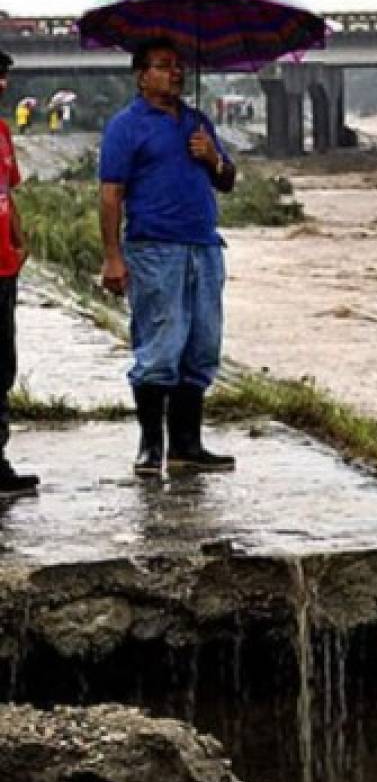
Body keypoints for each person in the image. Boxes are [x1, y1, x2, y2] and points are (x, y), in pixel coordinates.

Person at [98, 37, 238, 476]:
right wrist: (112, 257)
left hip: (204, 248)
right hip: (155, 250)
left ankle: (187, 446)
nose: (175, 73)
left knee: (202, 347)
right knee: (160, 347)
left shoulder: (197, 122)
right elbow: (110, 195)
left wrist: (213, 157)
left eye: (178, 66)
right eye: (164, 65)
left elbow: (228, 181)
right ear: (142, 75)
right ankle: (150, 447)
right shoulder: (126, 126)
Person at [0, 49, 39, 495]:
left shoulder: (3, 134)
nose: (3, 85)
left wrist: (19, 240)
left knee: (0, 366)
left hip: (4, 267)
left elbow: (7, 194)